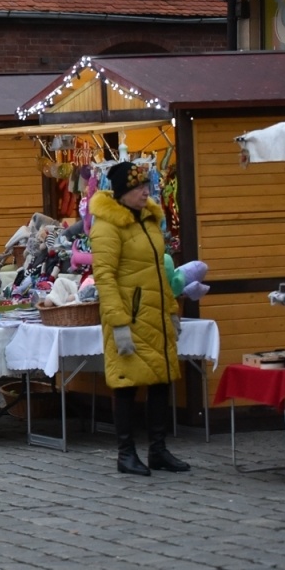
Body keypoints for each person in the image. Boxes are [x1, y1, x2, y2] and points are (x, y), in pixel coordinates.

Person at [90, 161, 190, 477]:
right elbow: (103, 276)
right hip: (130, 317)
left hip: (155, 314)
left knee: (160, 380)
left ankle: (158, 450)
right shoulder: (107, 225)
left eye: (146, 185)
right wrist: (118, 322)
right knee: (127, 385)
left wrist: (171, 309)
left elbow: (162, 270)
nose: (146, 191)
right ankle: (126, 453)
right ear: (123, 192)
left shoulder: (149, 220)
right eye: (139, 187)